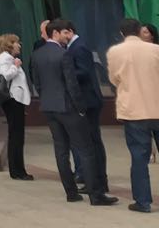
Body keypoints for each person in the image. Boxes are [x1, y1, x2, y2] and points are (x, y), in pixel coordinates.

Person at [31, 18, 115, 205]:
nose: (66, 37)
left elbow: (37, 83)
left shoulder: (37, 54)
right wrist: (80, 107)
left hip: (49, 107)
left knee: (61, 150)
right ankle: (95, 195)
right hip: (68, 107)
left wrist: (46, 100)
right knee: (86, 149)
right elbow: (72, 84)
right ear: (55, 33)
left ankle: (71, 192)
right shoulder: (63, 54)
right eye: (63, 33)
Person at [108, 18, 159, 213]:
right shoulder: (156, 50)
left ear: (122, 33)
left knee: (139, 158)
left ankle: (143, 202)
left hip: (133, 111)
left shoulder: (115, 52)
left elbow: (114, 79)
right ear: (139, 31)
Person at [65, 20, 109, 194]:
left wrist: (65, 71)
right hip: (86, 100)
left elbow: (84, 71)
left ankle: (99, 181)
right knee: (90, 142)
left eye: (63, 33)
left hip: (89, 101)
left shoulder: (79, 47)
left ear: (69, 31)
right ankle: (95, 180)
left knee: (93, 142)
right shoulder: (74, 46)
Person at [0, 34, 33, 181]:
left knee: (16, 134)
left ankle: (17, 169)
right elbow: (5, 76)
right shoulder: (6, 58)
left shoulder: (6, 58)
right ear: (9, 44)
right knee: (16, 135)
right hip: (13, 99)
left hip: (14, 99)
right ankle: (17, 170)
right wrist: (15, 66)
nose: (19, 45)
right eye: (16, 42)